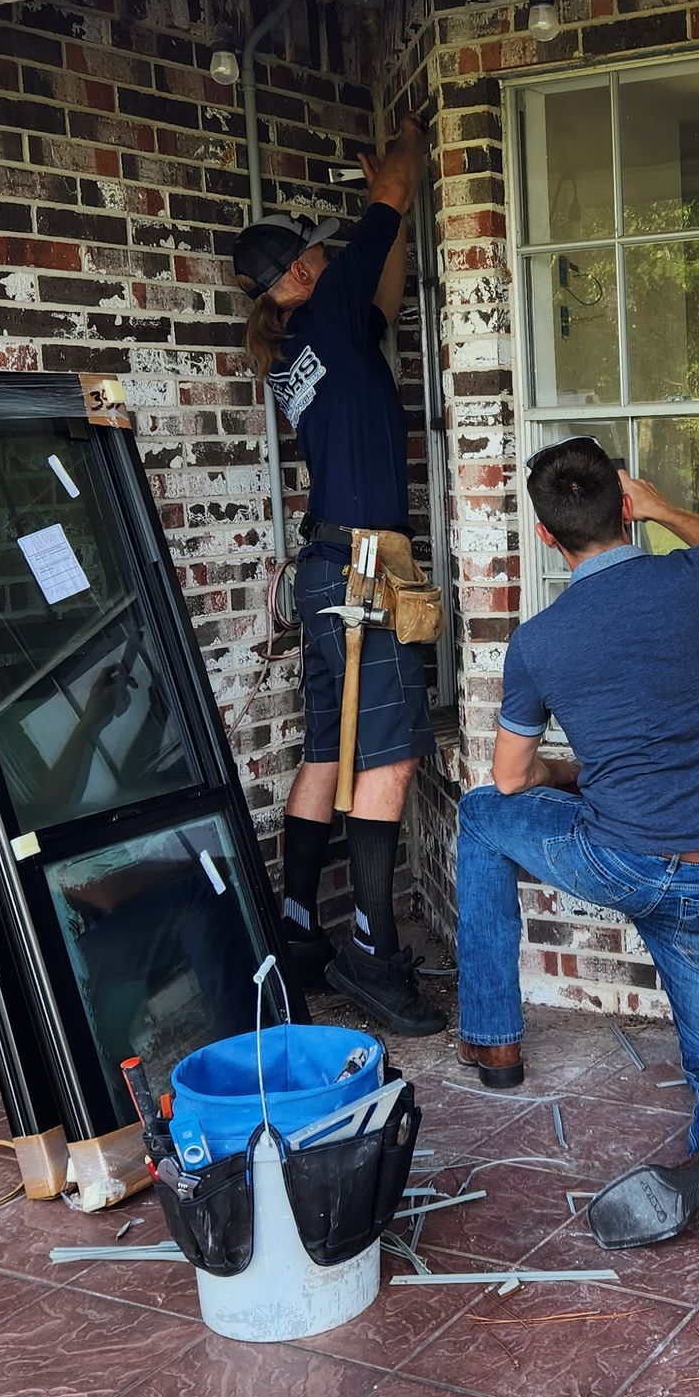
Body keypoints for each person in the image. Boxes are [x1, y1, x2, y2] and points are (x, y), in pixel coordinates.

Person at [456, 436, 699, 1247]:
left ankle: (493, 1042)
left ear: (545, 537)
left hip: (619, 860)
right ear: (625, 507)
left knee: (479, 817)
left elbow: (507, 782)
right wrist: (669, 509)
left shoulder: (539, 641)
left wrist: (578, 772)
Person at [232, 112, 444, 1039]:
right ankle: (369, 948)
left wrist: (391, 203)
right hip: (365, 568)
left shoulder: (302, 345)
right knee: (387, 756)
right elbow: (389, 208)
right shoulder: (322, 307)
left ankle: (293, 934)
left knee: (326, 752)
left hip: (326, 570)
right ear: (305, 269)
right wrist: (404, 165)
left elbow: (382, 303)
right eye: (317, 254)